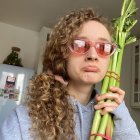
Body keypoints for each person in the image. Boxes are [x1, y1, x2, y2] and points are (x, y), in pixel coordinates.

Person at [0, 8, 140, 140]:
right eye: (80, 44)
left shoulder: (117, 115)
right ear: (63, 54)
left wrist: (123, 118)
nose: (93, 55)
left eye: (103, 47)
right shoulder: (24, 118)